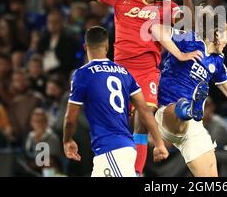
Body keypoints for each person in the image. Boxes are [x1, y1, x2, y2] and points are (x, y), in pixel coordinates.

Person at [30, 0, 194, 175]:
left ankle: (136, 172)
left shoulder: (167, 7)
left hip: (148, 71)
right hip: (120, 71)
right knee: (119, 123)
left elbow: (189, 23)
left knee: (144, 118)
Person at [152, 8, 227, 176]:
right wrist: (180, 54)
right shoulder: (189, 38)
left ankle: (191, 110)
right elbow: (156, 29)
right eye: (226, 35)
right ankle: (188, 109)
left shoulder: (218, 62)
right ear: (215, 33)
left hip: (193, 127)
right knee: (178, 109)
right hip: (168, 113)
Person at [63, 26, 169, 177]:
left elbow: (70, 118)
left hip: (112, 151)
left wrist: (67, 140)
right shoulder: (124, 72)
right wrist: (159, 143)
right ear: (107, 47)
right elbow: (145, 111)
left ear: (85, 46)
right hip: (118, 150)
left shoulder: (82, 74)